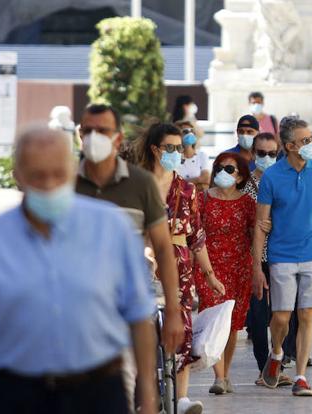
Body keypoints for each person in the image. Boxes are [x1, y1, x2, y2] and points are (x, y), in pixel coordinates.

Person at [0, 126, 158, 414]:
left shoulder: (111, 230)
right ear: (18, 176)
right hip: (15, 394)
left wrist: (148, 395)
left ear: (73, 171)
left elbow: (138, 315)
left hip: (97, 392)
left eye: (57, 174)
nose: (48, 184)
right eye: (37, 175)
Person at [74, 103, 184, 411]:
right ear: (80, 136)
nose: (95, 137)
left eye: (103, 131)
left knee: (130, 379)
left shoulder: (140, 185)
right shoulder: (66, 184)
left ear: (118, 139)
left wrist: (173, 309)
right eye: (88, 131)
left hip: (129, 299)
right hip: (79, 305)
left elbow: (163, 247)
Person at [137, 122, 225, 414]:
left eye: (179, 147)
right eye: (170, 148)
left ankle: (183, 396)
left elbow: (196, 236)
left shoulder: (186, 190)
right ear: (155, 149)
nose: (177, 153)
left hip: (180, 265)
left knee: (182, 329)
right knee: (144, 330)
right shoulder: (138, 185)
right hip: (143, 264)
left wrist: (210, 276)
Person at [253, 116, 312, 397]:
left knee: (307, 316)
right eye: (305, 141)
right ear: (289, 145)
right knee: (281, 317)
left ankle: (301, 376)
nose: (311, 144)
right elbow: (261, 224)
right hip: (282, 256)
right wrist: (257, 266)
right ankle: (277, 352)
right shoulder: (272, 176)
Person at [194, 152, 256, 395]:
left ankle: (225, 373)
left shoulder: (248, 203)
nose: (222, 173)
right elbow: (194, 234)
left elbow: (255, 236)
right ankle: (218, 377)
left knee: (231, 324)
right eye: (219, 168)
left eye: (229, 170)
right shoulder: (203, 199)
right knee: (213, 318)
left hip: (239, 267)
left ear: (240, 175)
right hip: (209, 266)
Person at [242, 132, 294, 387]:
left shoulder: (285, 181)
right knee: (259, 317)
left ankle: (279, 359)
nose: (266, 158)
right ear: (253, 154)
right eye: (261, 153)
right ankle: (265, 366)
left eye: (272, 154)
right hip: (256, 258)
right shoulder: (244, 186)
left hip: (283, 255)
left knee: (284, 314)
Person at [176, 120, 210, 191]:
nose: (190, 134)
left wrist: (184, 183)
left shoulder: (202, 155)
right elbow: (175, 183)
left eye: (192, 131)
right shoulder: (174, 157)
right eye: (185, 132)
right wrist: (199, 181)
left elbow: (206, 179)